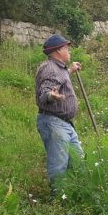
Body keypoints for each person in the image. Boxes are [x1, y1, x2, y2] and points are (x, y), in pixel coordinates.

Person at [35, 33, 84, 192]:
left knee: (78, 160)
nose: (69, 50)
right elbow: (45, 93)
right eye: (66, 48)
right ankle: (57, 198)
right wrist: (51, 95)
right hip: (54, 122)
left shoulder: (59, 69)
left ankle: (73, 192)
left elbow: (59, 79)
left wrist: (70, 70)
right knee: (59, 165)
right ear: (57, 51)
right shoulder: (49, 67)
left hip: (65, 124)